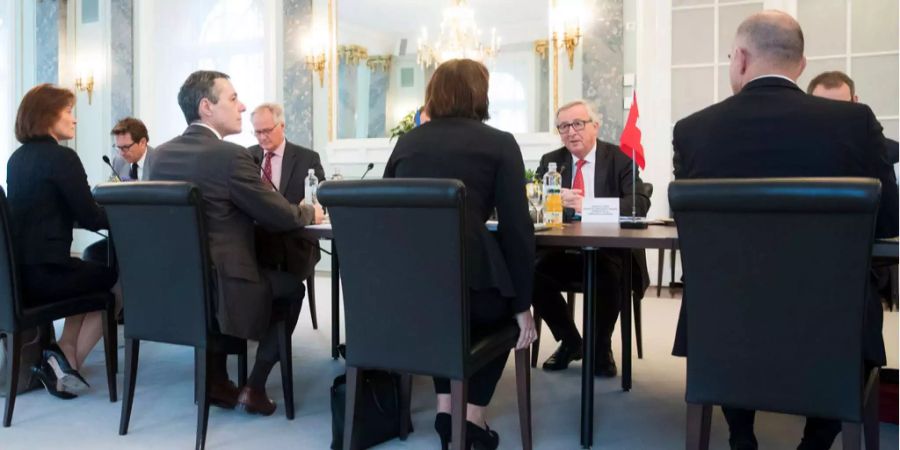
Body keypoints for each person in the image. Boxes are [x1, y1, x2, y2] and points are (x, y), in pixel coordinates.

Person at [672, 11, 899, 450]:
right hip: (831, 321)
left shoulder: (693, 131)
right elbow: (887, 226)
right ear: (801, 64)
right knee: (850, 303)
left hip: (726, 323)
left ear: (739, 59)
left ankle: (741, 436)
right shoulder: (855, 123)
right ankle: (815, 442)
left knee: (724, 300)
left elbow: (694, 233)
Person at [150, 70, 324, 416]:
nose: (242, 106)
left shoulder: (157, 156)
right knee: (292, 288)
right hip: (227, 286)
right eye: (232, 98)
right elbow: (280, 215)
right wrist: (310, 212)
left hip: (176, 286)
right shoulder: (229, 156)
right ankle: (255, 387)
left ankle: (216, 380)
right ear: (206, 107)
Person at [383, 59, 537, 450]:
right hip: (471, 287)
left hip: (411, 291)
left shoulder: (407, 143)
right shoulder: (499, 142)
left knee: (443, 313)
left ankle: (444, 408)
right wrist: (523, 305)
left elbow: (386, 211)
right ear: (480, 95)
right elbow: (518, 230)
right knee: (493, 312)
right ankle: (471, 417)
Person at [7, 84, 117, 399]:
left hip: (22, 279)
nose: (75, 119)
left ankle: (62, 351)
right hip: (48, 277)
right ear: (47, 116)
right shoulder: (62, 157)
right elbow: (93, 217)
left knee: (87, 270)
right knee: (115, 279)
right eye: (69, 112)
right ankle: (66, 364)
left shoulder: (17, 160)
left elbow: (49, 209)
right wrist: (127, 218)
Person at [531, 100, 651, 377]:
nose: (571, 132)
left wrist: (589, 204)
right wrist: (557, 204)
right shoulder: (551, 162)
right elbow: (535, 205)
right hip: (563, 251)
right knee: (527, 272)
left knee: (607, 275)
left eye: (578, 124)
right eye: (563, 127)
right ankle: (571, 340)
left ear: (595, 127)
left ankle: (599, 347)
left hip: (609, 251)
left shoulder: (620, 159)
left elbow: (638, 205)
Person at [248, 103, 325, 283]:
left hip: (294, 238)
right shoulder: (247, 156)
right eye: (257, 132)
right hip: (256, 238)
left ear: (282, 126)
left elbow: (318, 198)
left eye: (267, 130)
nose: (262, 137)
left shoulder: (307, 158)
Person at [806, 70, 899, 164]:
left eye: (842, 106)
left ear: (855, 102)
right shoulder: (799, 147)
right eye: (823, 106)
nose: (832, 114)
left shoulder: (879, 147)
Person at [109, 117, 153, 181]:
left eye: (126, 147)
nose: (121, 153)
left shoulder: (158, 162)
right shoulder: (118, 162)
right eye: (118, 147)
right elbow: (112, 189)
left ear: (142, 143)